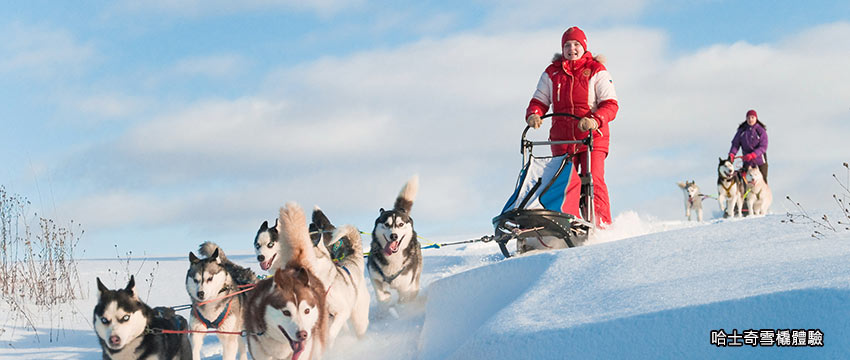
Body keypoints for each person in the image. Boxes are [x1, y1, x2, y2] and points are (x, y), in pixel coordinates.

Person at [525, 26, 619, 226]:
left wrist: (595, 120)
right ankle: (563, 223)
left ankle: (601, 225)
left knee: (593, 179)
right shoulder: (552, 73)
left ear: (584, 46)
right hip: (562, 140)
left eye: (576, 44)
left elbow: (610, 104)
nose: (572, 49)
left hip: (592, 137)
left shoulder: (596, 70)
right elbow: (539, 101)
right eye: (567, 45)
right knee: (562, 183)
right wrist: (534, 114)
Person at [729, 109, 768, 183]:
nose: (750, 120)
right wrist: (732, 154)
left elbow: (763, 146)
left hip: (760, 160)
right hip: (747, 161)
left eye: (752, 117)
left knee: (762, 180)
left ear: (756, 118)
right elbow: (735, 144)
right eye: (748, 118)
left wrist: (753, 154)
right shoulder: (742, 131)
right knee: (746, 181)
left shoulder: (760, 130)